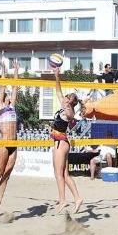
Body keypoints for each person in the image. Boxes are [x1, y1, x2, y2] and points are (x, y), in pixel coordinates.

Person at [0, 61, 20, 215]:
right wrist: (4, 70)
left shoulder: (12, 106)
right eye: (6, 96)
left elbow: (15, 87)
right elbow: (3, 86)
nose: (8, 97)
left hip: (14, 143)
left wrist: (16, 71)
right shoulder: (0, 106)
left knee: (6, 176)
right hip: (4, 142)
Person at [51, 67, 84, 214]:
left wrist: (71, 103)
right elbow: (58, 91)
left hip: (61, 143)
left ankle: (63, 200)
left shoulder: (68, 111)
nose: (63, 97)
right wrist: (57, 76)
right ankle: (77, 198)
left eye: (66, 97)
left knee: (58, 174)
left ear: (69, 101)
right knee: (64, 174)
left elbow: (70, 116)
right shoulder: (64, 107)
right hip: (61, 142)